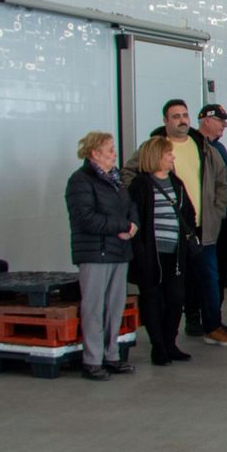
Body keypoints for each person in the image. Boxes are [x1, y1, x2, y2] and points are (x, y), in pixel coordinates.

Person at [122, 100, 227, 347]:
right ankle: (165, 337)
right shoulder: (153, 147)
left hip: (201, 227)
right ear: (165, 121)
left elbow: (221, 180)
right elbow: (128, 173)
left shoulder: (202, 146)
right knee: (170, 285)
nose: (182, 120)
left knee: (210, 277)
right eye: (175, 116)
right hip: (166, 231)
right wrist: (142, 201)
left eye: (184, 115)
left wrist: (216, 212)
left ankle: (213, 326)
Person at [65, 131, 137, 380]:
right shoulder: (80, 181)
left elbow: (130, 207)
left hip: (118, 252)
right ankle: (92, 360)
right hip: (95, 253)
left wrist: (132, 225)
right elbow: (85, 218)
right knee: (94, 308)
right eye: (109, 149)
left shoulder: (116, 180)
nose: (114, 154)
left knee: (114, 307)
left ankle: (112, 355)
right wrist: (121, 226)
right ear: (94, 153)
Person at [127, 135, 195, 367]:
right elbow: (135, 218)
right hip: (151, 255)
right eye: (168, 154)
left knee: (176, 298)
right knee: (153, 299)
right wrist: (140, 251)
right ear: (156, 156)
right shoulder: (140, 185)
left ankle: (170, 341)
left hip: (175, 253)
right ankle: (158, 347)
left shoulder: (176, 183)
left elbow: (189, 213)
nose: (172, 157)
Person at [197, 105, 227, 307]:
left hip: (225, 217)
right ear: (207, 120)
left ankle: (215, 314)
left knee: (221, 267)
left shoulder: (220, 147)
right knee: (204, 269)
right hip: (206, 220)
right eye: (221, 120)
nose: (225, 124)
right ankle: (196, 315)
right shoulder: (196, 147)